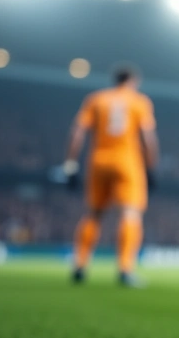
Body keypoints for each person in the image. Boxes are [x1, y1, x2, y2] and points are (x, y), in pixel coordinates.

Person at [63, 65, 159, 286]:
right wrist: (151, 167)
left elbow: (77, 132)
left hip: (98, 160)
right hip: (127, 161)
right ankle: (125, 269)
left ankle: (80, 264)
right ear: (133, 81)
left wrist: (70, 164)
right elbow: (148, 137)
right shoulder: (139, 101)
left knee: (94, 214)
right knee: (130, 214)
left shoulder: (96, 99)